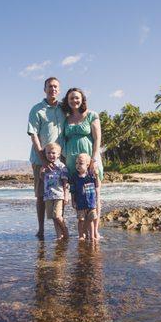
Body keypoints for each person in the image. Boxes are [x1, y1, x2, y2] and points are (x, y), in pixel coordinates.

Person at [27, 77, 66, 238]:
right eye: (50, 86)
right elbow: (33, 135)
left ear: (59, 89)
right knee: (41, 195)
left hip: (61, 160)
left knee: (61, 193)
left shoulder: (64, 108)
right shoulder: (37, 109)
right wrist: (42, 159)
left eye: (56, 86)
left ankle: (60, 231)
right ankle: (41, 229)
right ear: (45, 89)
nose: (53, 89)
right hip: (39, 160)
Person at [61, 87, 104, 234]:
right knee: (79, 194)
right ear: (67, 101)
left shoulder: (92, 115)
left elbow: (97, 138)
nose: (74, 100)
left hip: (90, 159)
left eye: (77, 97)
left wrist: (94, 159)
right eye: (71, 98)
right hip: (73, 161)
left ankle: (95, 231)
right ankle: (84, 231)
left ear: (82, 99)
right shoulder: (66, 119)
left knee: (95, 194)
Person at [70, 153, 101, 240]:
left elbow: (97, 185)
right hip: (80, 203)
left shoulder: (91, 176)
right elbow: (72, 191)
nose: (78, 165)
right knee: (81, 220)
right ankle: (81, 235)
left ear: (87, 165)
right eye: (76, 163)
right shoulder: (74, 177)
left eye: (81, 163)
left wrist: (97, 175)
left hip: (91, 203)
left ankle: (91, 236)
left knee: (90, 220)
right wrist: (73, 201)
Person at [41, 142, 69, 239]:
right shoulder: (45, 166)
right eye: (48, 153)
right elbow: (43, 179)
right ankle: (58, 235)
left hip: (58, 194)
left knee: (57, 215)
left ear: (58, 154)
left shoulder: (61, 167)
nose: (51, 155)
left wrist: (66, 195)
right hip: (48, 195)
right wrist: (42, 173)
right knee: (53, 217)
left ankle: (65, 230)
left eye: (53, 153)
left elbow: (65, 182)